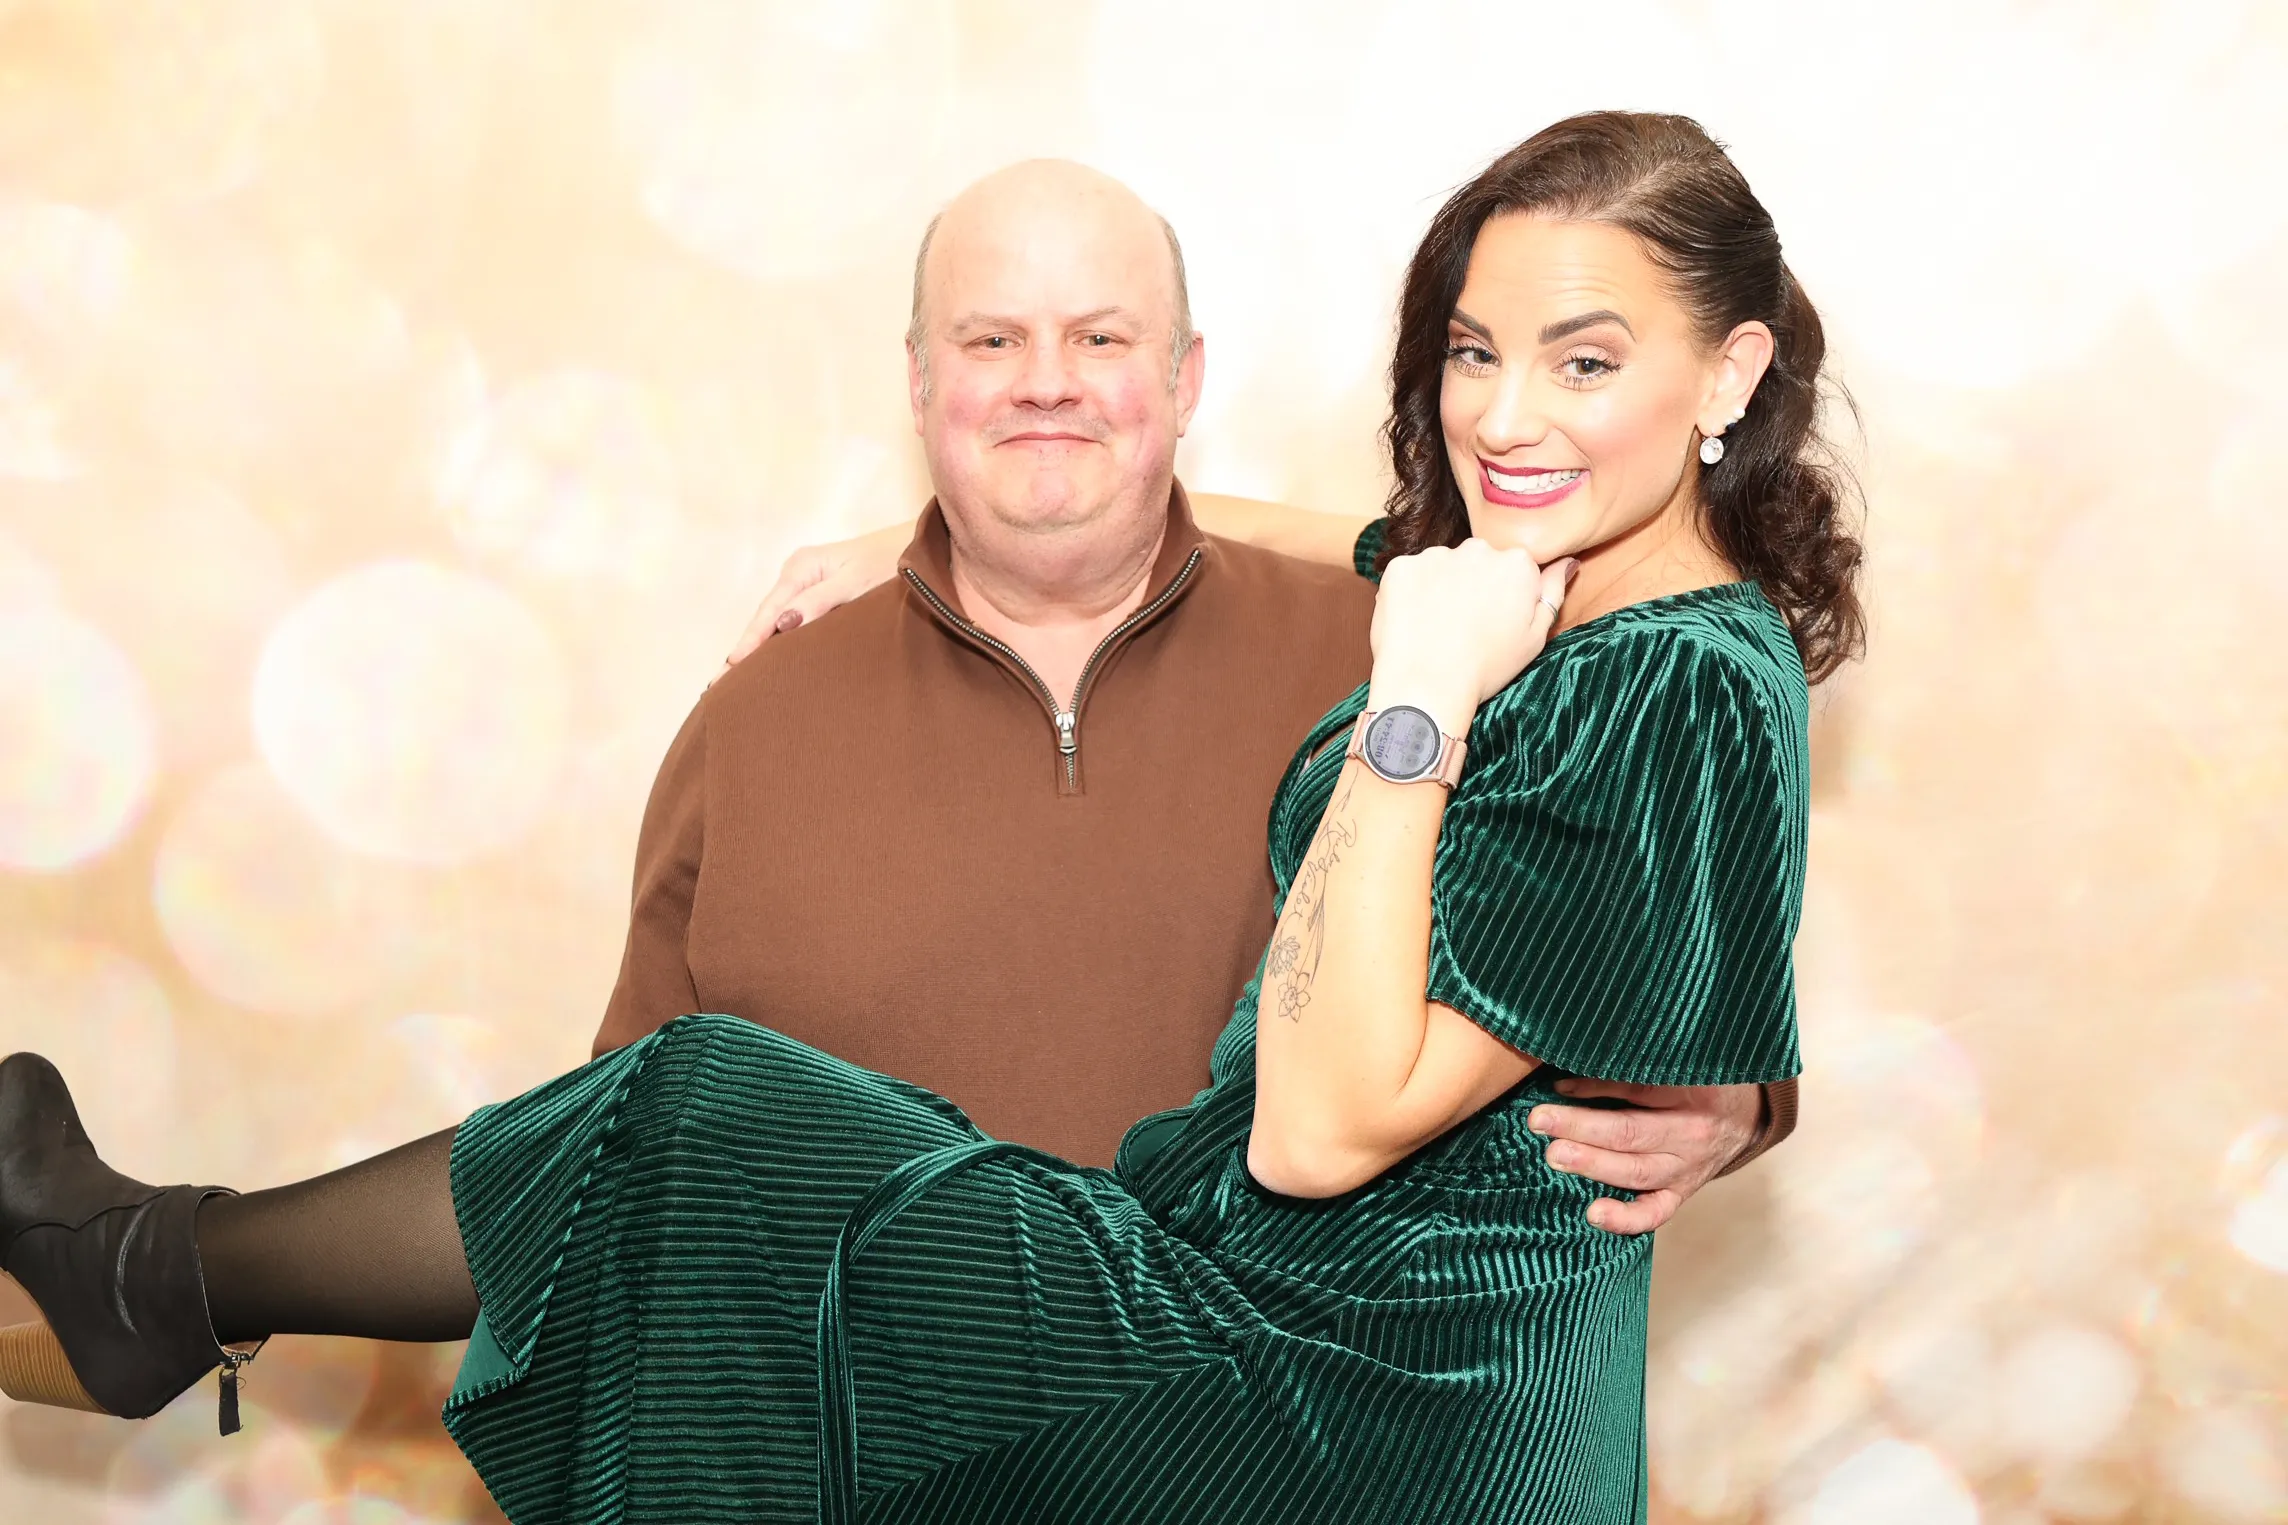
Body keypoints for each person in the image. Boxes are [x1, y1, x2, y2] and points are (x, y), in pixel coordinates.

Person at [0, 111, 1861, 1523]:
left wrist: (1413, 713)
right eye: (1470, 354)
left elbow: (1318, 1133)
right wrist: (905, 557)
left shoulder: (1569, 663)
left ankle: (156, 1274)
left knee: (710, 1118)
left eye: (1583, 360)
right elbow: (1431, 591)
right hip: (1244, 1325)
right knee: (692, 1114)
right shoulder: (1525, 591)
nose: (1505, 418)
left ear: (1730, 373)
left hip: (1354, 1401)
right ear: (918, 391)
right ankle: (154, 1273)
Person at [608, 156, 1790, 1223]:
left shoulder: (1424, 653)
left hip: (1281, 1432)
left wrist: (1724, 1085)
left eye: (1102, 341)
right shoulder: (757, 713)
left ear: (1185, 383)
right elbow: (618, 1150)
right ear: (919, 384)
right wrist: (913, 533)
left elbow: (1647, 845)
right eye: (990, 344)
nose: (1045, 386)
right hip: (863, 1428)